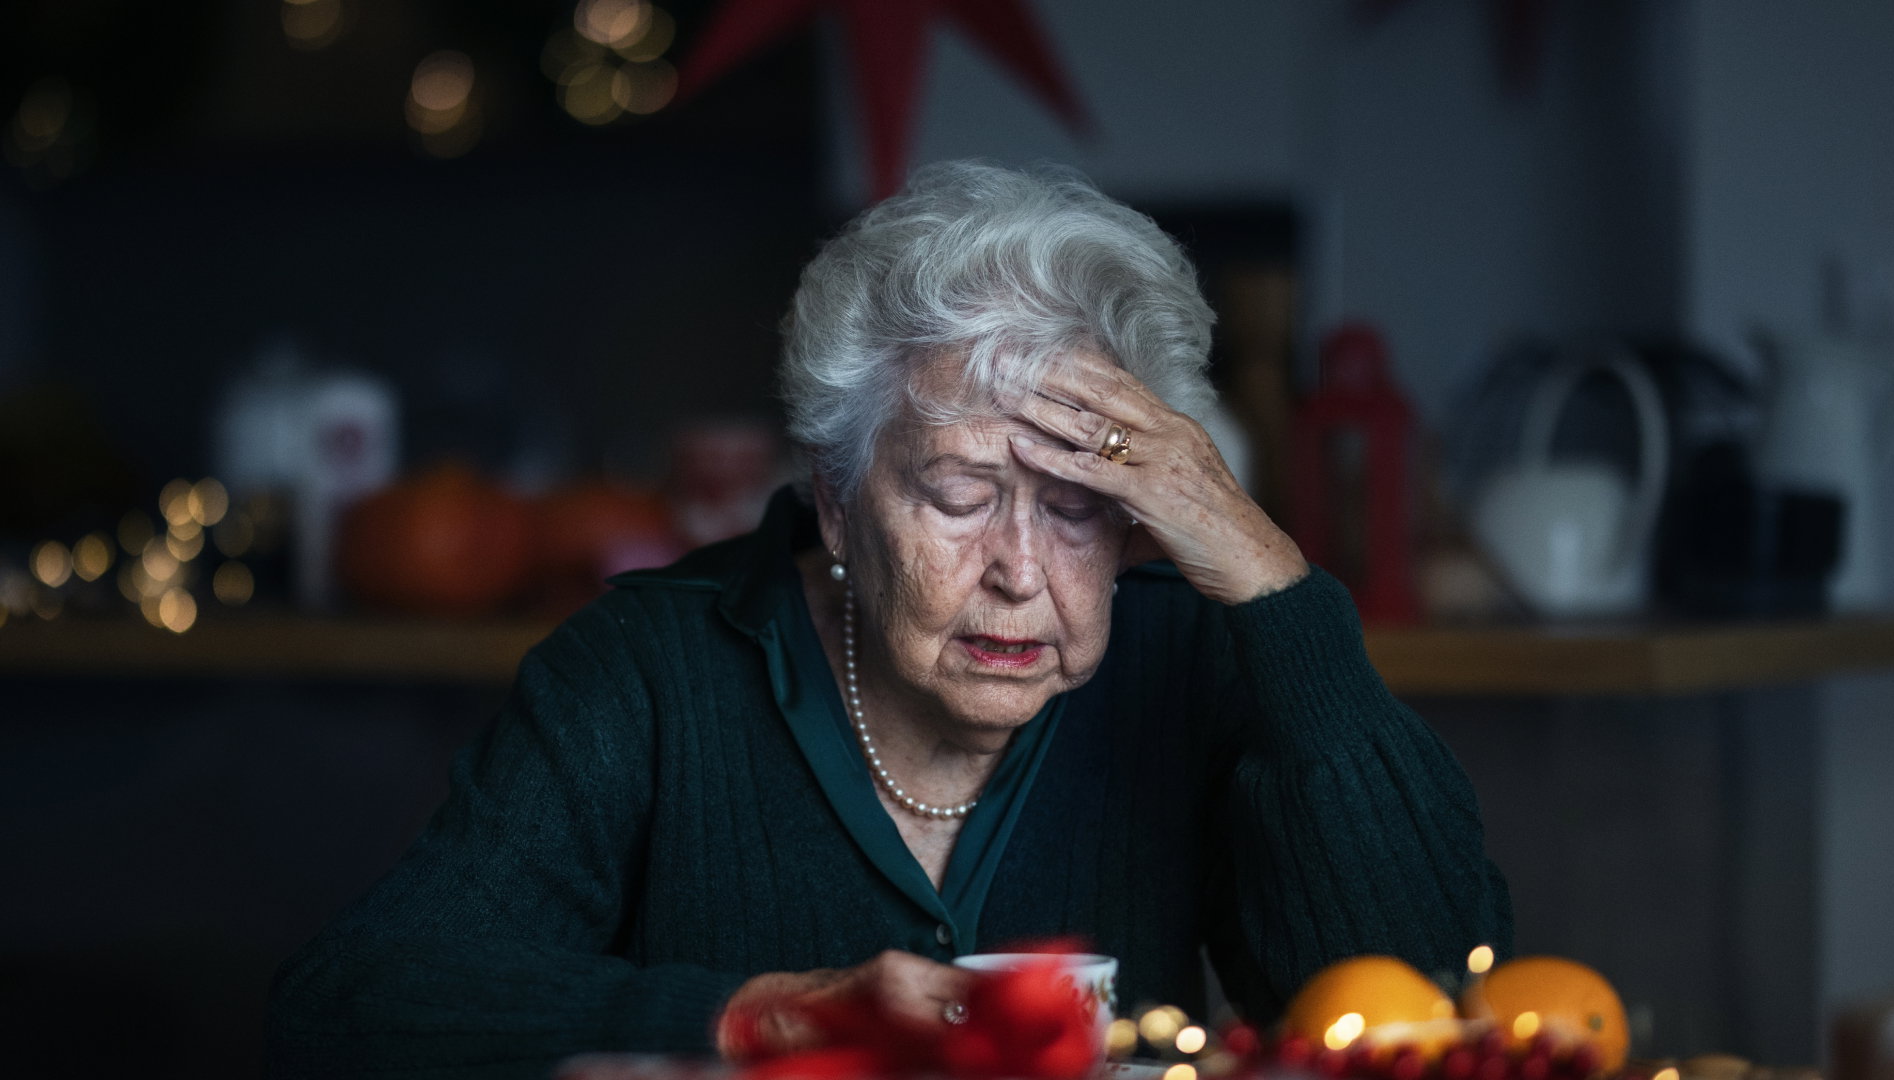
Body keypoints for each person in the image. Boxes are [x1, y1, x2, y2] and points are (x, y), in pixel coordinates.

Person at [267, 161, 1511, 1078]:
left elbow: (1440, 1003)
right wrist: (758, 1017)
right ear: (840, 502)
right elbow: (350, 1012)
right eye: (961, 494)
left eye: (1082, 512)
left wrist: (1268, 578)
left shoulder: (1192, 655)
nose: (1020, 570)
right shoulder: (647, 670)